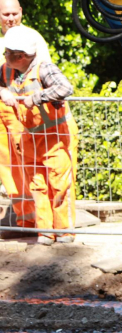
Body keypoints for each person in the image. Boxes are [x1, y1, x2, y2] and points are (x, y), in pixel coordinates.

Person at [0, 25, 77, 245]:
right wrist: (3, 91)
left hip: (54, 139)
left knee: (59, 184)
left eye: (7, 53)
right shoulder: (7, 70)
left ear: (21, 56)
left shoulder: (44, 69)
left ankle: (64, 232)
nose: (4, 56)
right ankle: (45, 232)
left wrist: (38, 97)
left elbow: (65, 88)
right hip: (29, 139)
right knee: (37, 186)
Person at [0, 0, 51, 239]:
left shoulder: (33, 38)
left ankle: (45, 222)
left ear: (21, 12)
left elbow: (45, 72)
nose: (10, 18)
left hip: (23, 109)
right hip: (2, 107)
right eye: (5, 14)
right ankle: (25, 220)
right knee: (8, 167)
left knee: (31, 163)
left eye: (13, 13)